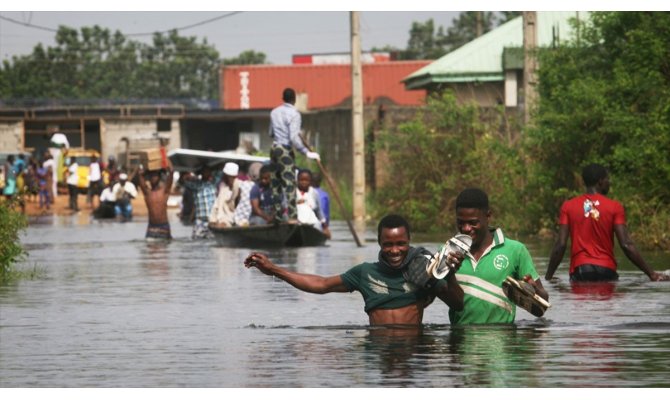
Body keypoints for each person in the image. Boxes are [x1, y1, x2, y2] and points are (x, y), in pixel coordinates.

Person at [244, 214, 465, 326]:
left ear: (409, 241)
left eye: (401, 244)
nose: (395, 250)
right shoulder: (365, 273)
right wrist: (274, 269)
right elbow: (321, 285)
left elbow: (457, 304)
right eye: (388, 244)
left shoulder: (424, 270)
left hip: (415, 350)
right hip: (377, 349)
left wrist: (450, 274)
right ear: (379, 243)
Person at [545, 163, 669, 282]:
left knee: (582, 301)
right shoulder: (615, 207)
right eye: (607, 179)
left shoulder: (568, 206)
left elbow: (560, 245)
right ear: (600, 181)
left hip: (581, 271)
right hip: (606, 270)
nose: (609, 183)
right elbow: (626, 245)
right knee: (607, 301)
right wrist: (651, 274)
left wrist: (548, 277)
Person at [448, 188, 549, 325]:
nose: (466, 228)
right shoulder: (448, 253)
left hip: (503, 340)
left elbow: (541, 308)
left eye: (473, 222)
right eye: (461, 222)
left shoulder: (515, 251)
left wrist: (534, 292)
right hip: (461, 342)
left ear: (488, 216)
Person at [268, 87, 320, 222]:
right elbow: (293, 137)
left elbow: (271, 133)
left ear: (282, 98)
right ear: (294, 99)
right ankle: (292, 217)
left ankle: (278, 216)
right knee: (289, 183)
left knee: (275, 184)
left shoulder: (274, 112)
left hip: (274, 149)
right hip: (285, 149)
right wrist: (306, 152)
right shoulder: (294, 114)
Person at [137, 162, 174, 240]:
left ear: (159, 177)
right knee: (150, 250)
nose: (153, 178)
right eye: (151, 176)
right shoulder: (147, 193)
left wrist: (169, 169)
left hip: (164, 226)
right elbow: (141, 182)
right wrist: (141, 173)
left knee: (164, 250)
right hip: (152, 227)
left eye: (155, 175)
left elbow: (171, 175)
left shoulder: (164, 191)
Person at [183, 165, 217, 238]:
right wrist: (191, 175)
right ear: (201, 173)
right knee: (197, 242)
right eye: (204, 171)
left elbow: (220, 173)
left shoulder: (214, 184)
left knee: (212, 243)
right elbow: (184, 181)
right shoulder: (196, 185)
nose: (206, 173)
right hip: (200, 221)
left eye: (208, 171)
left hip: (212, 221)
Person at [295, 168, 330, 238]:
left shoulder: (314, 193)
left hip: (311, 223)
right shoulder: (293, 192)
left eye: (306, 180)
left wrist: (325, 227)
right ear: (297, 181)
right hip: (296, 223)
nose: (304, 182)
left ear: (310, 182)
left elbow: (319, 211)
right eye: (301, 180)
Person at [209, 162, 241, 228]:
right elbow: (217, 204)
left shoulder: (238, 186)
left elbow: (235, 207)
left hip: (233, 220)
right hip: (221, 219)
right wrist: (212, 220)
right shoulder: (223, 187)